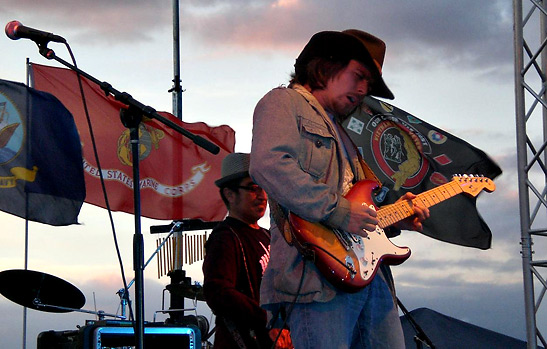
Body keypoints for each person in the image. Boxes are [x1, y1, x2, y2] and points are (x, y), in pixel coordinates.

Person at [249, 30, 430, 348]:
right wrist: (341, 212)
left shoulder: (350, 133)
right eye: (358, 76)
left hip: (372, 279)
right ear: (325, 67)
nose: (363, 90)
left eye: (368, 85)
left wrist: (395, 218)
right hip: (316, 280)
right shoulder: (283, 101)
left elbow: (359, 201)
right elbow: (269, 164)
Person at [202, 152, 273, 349]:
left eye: (264, 188)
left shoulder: (269, 236)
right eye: (253, 188)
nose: (262, 196)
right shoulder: (225, 237)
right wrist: (267, 319)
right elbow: (218, 292)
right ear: (229, 194)